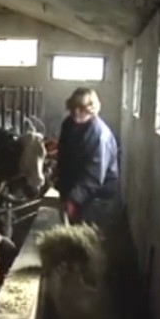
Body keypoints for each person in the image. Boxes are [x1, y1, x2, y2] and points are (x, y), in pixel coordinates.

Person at [55, 87, 120, 224]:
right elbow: (64, 157)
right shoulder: (68, 124)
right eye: (73, 107)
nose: (76, 112)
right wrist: (62, 187)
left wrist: (74, 199)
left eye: (82, 108)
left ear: (92, 109)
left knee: (87, 233)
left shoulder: (99, 135)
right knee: (69, 229)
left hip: (96, 197)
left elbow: (94, 175)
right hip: (75, 191)